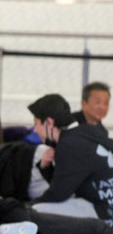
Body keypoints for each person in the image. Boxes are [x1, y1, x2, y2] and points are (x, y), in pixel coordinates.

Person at [28, 93, 113, 223]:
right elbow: (65, 185)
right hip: (106, 204)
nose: (35, 130)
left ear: (49, 122)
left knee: (36, 210)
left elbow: (57, 195)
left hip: (104, 212)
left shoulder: (68, 144)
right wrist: (45, 166)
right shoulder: (88, 132)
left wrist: (24, 207)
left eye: (36, 124)